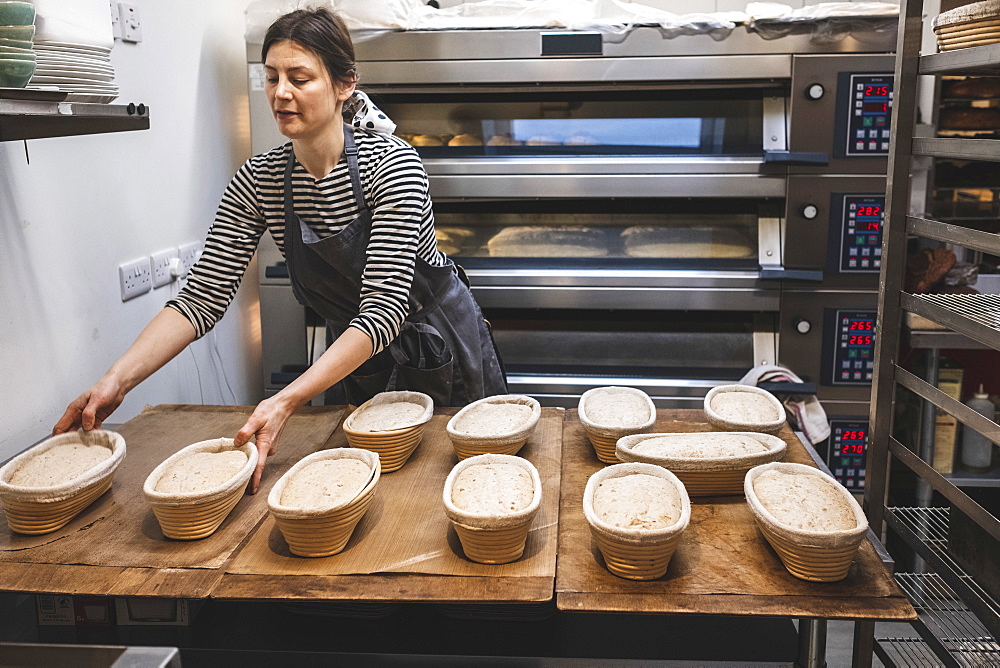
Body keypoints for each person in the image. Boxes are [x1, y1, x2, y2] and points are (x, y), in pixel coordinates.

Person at [53, 8, 507, 493]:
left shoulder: (393, 166)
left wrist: (283, 400)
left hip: (440, 352)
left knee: (466, 488)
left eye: (300, 78)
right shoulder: (261, 180)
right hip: (358, 362)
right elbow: (200, 298)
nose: (281, 93)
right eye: (271, 77)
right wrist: (116, 380)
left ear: (343, 84)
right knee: (376, 496)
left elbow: (382, 311)